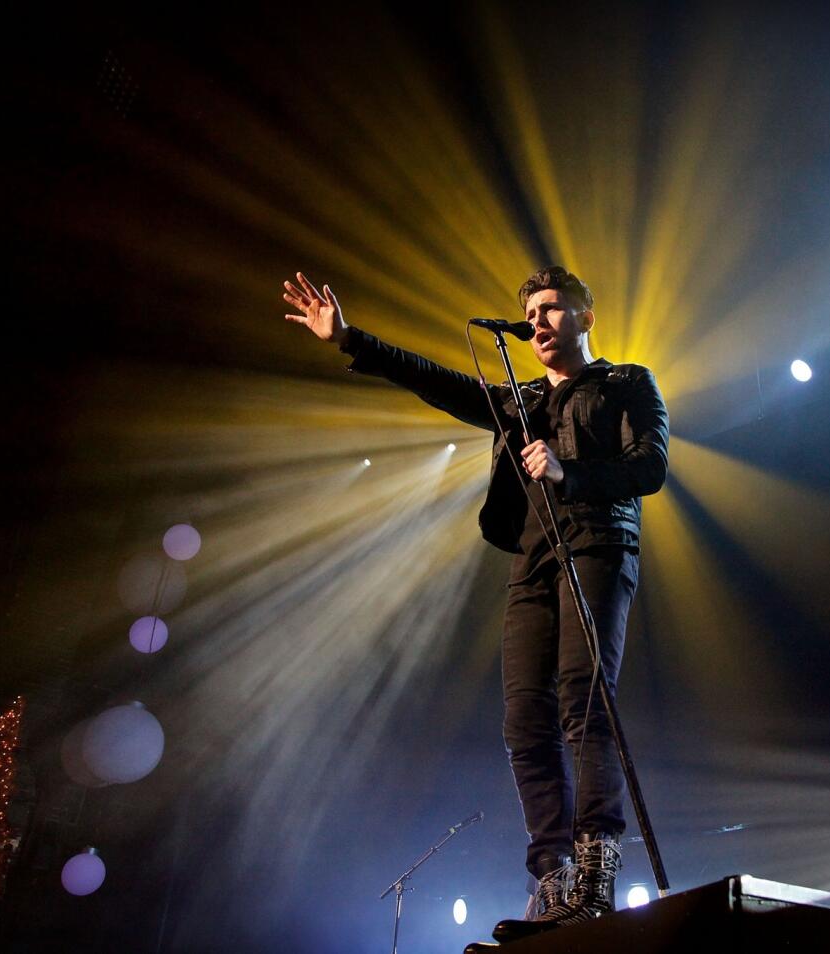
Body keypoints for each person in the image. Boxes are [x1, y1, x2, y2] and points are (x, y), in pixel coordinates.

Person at [281, 266, 668, 939]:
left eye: (553, 310)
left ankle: (597, 871)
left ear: (585, 317)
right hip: (534, 558)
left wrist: (570, 472)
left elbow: (650, 466)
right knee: (524, 720)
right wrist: (350, 339)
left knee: (584, 699)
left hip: (600, 545)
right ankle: (551, 878)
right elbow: (437, 382)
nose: (541, 323)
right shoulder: (517, 403)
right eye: (534, 313)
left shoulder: (627, 382)